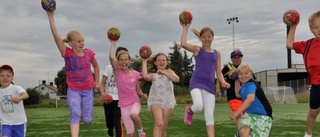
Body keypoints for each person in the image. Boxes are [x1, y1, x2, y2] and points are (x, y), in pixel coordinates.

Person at [46, 9, 100, 137]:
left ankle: (85, 115)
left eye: (82, 40)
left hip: (87, 90)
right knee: (75, 113)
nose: (82, 43)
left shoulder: (89, 53)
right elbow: (55, 35)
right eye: (78, 41)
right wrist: (51, 16)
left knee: (87, 120)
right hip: (73, 90)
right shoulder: (67, 53)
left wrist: (97, 81)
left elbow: (96, 66)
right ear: (71, 43)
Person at [180, 23, 230, 137]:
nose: (206, 39)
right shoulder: (197, 50)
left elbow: (219, 72)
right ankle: (189, 110)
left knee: (209, 116)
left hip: (209, 86)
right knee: (198, 106)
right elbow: (183, 44)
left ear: (213, 37)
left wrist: (223, 82)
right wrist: (185, 28)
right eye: (204, 37)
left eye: (209, 36)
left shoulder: (217, 53)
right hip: (196, 82)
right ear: (200, 38)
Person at [286, 11, 320, 137]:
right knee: (314, 111)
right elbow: (289, 44)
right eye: (316, 27)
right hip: (317, 84)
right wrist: (293, 26)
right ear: (311, 29)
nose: (319, 29)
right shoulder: (307, 45)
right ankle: (308, 133)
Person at [109, 40, 148, 137]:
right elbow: (111, 57)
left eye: (126, 59)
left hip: (134, 102)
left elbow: (137, 89)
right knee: (130, 134)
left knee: (134, 115)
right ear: (118, 62)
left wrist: (142, 94)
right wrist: (113, 43)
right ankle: (137, 132)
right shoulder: (117, 72)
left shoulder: (135, 74)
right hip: (123, 106)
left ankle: (141, 132)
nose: (124, 62)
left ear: (129, 61)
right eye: (121, 60)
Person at [141, 53, 180, 137]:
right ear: (155, 63)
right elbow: (144, 76)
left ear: (166, 62)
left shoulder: (169, 72)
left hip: (168, 101)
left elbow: (177, 79)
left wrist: (163, 72)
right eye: (159, 60)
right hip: (155, 101)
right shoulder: (153, 75)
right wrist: (144, 61)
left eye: (163, 60)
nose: (161, 62)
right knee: (159, 123)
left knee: (163, 127)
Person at [230, 63, 272, 137]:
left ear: (251, 74)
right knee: (243, 132)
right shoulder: (244, 86)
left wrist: (237, 112)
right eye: (240, 74)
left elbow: (250, 99)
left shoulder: (251, 85)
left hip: (263, 115)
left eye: (246, 73)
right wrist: (236, 81)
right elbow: (238, 94)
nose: (243, 76)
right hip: (250, 114)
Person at [99, 47, 128, 137]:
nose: (123, 60)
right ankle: (110, 129)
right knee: (110, 122)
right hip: (108, 99)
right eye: (120, 56)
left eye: (125, 57)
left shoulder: (127, 71)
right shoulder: (109, 68)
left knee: (117, 121)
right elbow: (102, 83)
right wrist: (102, 93)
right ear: (116, 57)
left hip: (120, 100)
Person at [215, 49, 243, 136]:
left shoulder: (244, 68)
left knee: (246, 117)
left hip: (244, 97)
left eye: (239, 57)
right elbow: (219, 75)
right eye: (234, 57)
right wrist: (217, 87)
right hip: (233, 97)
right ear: (231, 59)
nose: (237, 59)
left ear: (242, 58)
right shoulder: (228, 68)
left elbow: (252, 78)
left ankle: (241, 133)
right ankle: (241, 134)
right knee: (239, 115)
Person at [0, 64, 29, 137]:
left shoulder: (16, 88)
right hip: (5, 122)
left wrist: (19, 98)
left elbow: (26, 95)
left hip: (19, 122)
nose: (5, 78)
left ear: (12, 78)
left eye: (8, 76)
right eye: (2, 75)